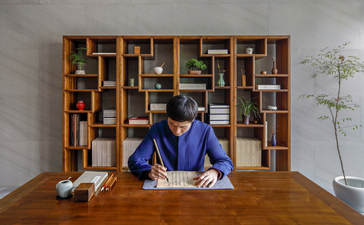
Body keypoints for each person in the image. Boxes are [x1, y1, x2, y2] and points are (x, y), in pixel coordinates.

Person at [128, 95, 233, 188]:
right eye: (172, 124)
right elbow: (135, 160)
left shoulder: (205, 131)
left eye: (183, 126)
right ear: (167, 116)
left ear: (192, 120)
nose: (177, 131)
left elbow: (225, 161)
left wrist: (214, 172)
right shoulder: (157, 129)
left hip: (195, 187)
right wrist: (149, 171)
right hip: (164, 187)